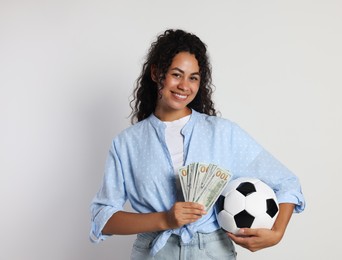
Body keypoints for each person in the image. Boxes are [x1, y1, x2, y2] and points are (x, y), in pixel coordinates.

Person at [90, 29, 305, 259]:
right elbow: (103, 217)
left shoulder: (223, 133)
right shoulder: (126, 144)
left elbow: (287, 183)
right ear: (156, 73)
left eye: (193, 77)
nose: (184, 85)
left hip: (212, 251)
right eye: (176, 74)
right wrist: (165, 219)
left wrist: (277, 232)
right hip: (155, 252)